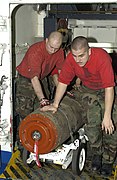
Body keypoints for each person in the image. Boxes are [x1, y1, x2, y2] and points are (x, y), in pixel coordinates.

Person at [41, 36, 117, 176]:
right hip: (89, 90)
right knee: (92, 123)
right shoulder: (71, 60)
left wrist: (107, 116)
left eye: (81, 55)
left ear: (89, 51)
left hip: (108, 89)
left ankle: (108, 159)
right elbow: (63, 82)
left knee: (111, 124)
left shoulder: (101, 58)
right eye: (75, 55)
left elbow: (109, 88)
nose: (78, 60)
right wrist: (55, 105)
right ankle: (97, 155)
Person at [15, 31, 64, 119]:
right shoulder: (36, 51)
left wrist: (62, 91)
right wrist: (42, 99)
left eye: (56, 48)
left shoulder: (60, 52)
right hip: (26, 79)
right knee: (24, 110)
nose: (53, 51)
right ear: (46, 40)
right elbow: (34, 78)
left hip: (42, 77)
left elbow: (61, 74)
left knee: (45, 107)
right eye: (51, 47)